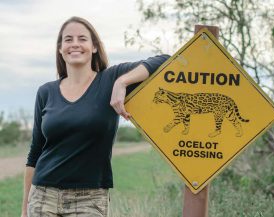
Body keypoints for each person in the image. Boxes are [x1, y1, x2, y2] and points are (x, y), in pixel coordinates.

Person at [21, 16, 169, 217]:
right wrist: (24, 208)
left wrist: (122, 82)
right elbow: (35, 153)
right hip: (43, 196)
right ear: (60, 49)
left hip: (89, 199)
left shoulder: (109, 79)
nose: (75, 44)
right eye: (68, 39)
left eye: (82, 39)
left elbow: (164, 60)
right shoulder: (46, 92)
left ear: (94, 47)